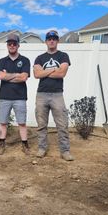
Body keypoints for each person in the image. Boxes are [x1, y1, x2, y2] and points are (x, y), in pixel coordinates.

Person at [33, 29, 74, 161]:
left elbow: (62, 73)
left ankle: (65, 151)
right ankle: (42, 148)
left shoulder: (63, 56)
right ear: (46, 41)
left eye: (54, 39)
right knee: (41, 124)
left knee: (62, 124)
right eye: (49, 39)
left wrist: (45, 71)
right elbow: (37, 74)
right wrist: (53, 69)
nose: (51, 41)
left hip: (57, 95)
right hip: (41, 95)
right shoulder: (39, 58)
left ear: (57, 41)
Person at [0, 33, 31, 156]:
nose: (12, 45)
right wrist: (17, 74)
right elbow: (1, 76)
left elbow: (24, 77)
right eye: (9, 44)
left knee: (22, 123)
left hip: (20, 97)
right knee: (3, 122)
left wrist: (8, 76)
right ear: (7, 45)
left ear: (18, 45)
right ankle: (1, 144)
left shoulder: (25, 60)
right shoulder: (1, 61)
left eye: (14, 43)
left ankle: (25, 145)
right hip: (4, 97)